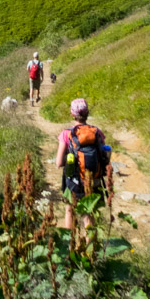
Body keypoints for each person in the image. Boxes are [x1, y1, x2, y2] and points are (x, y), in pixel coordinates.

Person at [55, 97, 111, 229]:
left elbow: (58, 163)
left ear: (72, 114)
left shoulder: (66, 134)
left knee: (69, 210)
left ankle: (70, 244)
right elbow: (104, 157)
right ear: (87, 113)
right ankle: (90, 245)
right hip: (93, 180)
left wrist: (70, 160)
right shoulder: (97, 133)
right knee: (88, 213)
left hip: (73, 182)